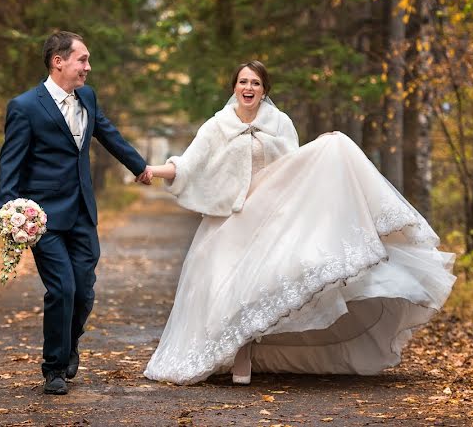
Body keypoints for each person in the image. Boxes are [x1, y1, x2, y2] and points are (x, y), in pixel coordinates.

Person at [143, 60, 456, 385]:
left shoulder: (280, 122)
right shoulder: (216, 126)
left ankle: (252, 351)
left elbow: (297, 166)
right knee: (225, 283)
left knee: (274, 275)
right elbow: (188, 165)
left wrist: (326, 147)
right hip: (232, 217)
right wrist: (153, 171)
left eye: (255, 83)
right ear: (234, 87)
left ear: (264, 91)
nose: (248, 88)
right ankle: (239, 353)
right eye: (243, 82)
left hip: (272, 215)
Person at [0, 31, 154, 395]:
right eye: (82, 60)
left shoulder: (87, 97)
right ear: (59, 61)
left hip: (82, 211)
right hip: (43, 218)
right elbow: (10, 168)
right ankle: (54, 366)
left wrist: (139, 167)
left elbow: (108, 134)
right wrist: (12, 215)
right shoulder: (25, 107)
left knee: (83, 292)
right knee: (62, 289)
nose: (88, 67)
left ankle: (69, 345)